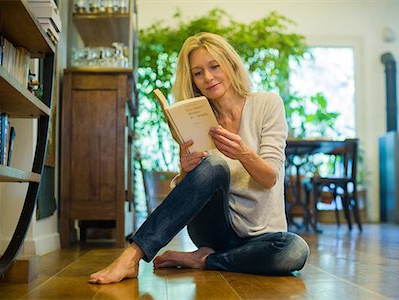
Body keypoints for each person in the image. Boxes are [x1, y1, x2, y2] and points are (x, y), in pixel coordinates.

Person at [89, 32, 310, 284]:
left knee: (294, 251)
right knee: (213, 165)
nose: (208, 77)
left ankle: (204, 260)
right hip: (212, 231)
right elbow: (191, 192)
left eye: (215, 66)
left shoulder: (267, 104)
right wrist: (185, 171)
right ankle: (133, 255)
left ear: (231, 64)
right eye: (198, 73)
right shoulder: (196, 117)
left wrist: (243, 153)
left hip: (261, 235)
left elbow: (270, 177)